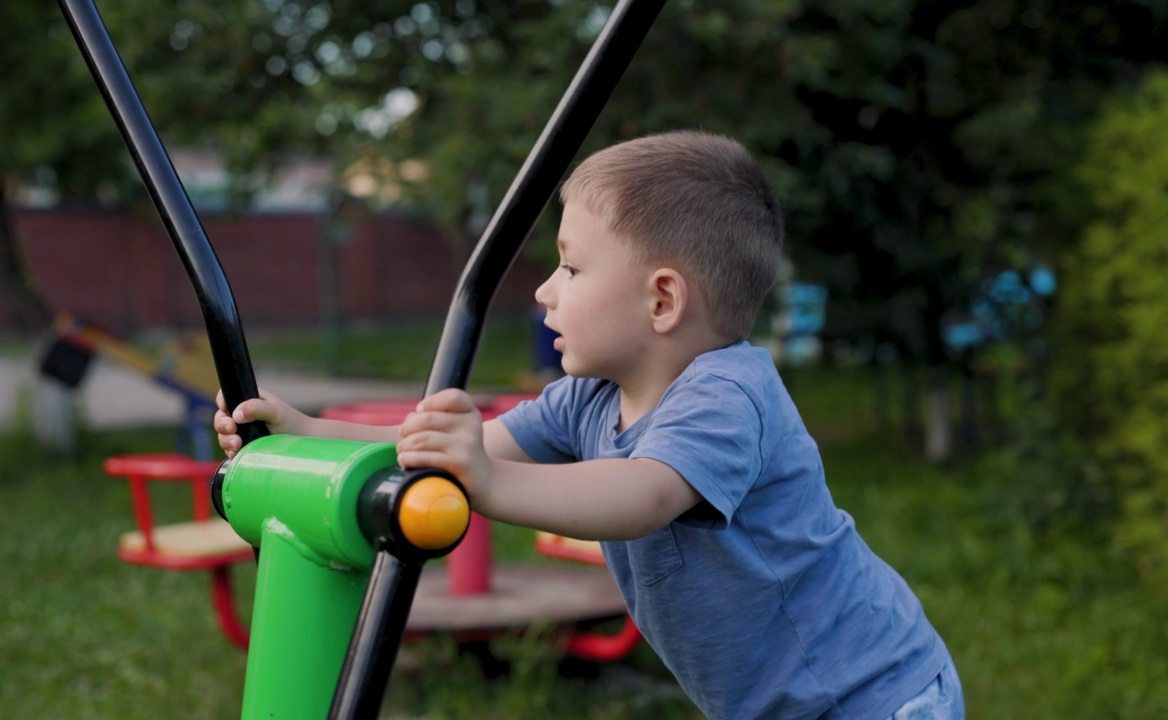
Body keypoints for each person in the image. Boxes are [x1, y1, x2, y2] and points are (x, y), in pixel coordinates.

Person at [215, 130, 963, 720]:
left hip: (874, 696)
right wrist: (305, 429)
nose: (544, 290)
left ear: (662, 300)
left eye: (571, 268)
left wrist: (488, 479)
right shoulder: (591, 397)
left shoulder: (729, 396)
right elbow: (433, 451)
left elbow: (639, 496)